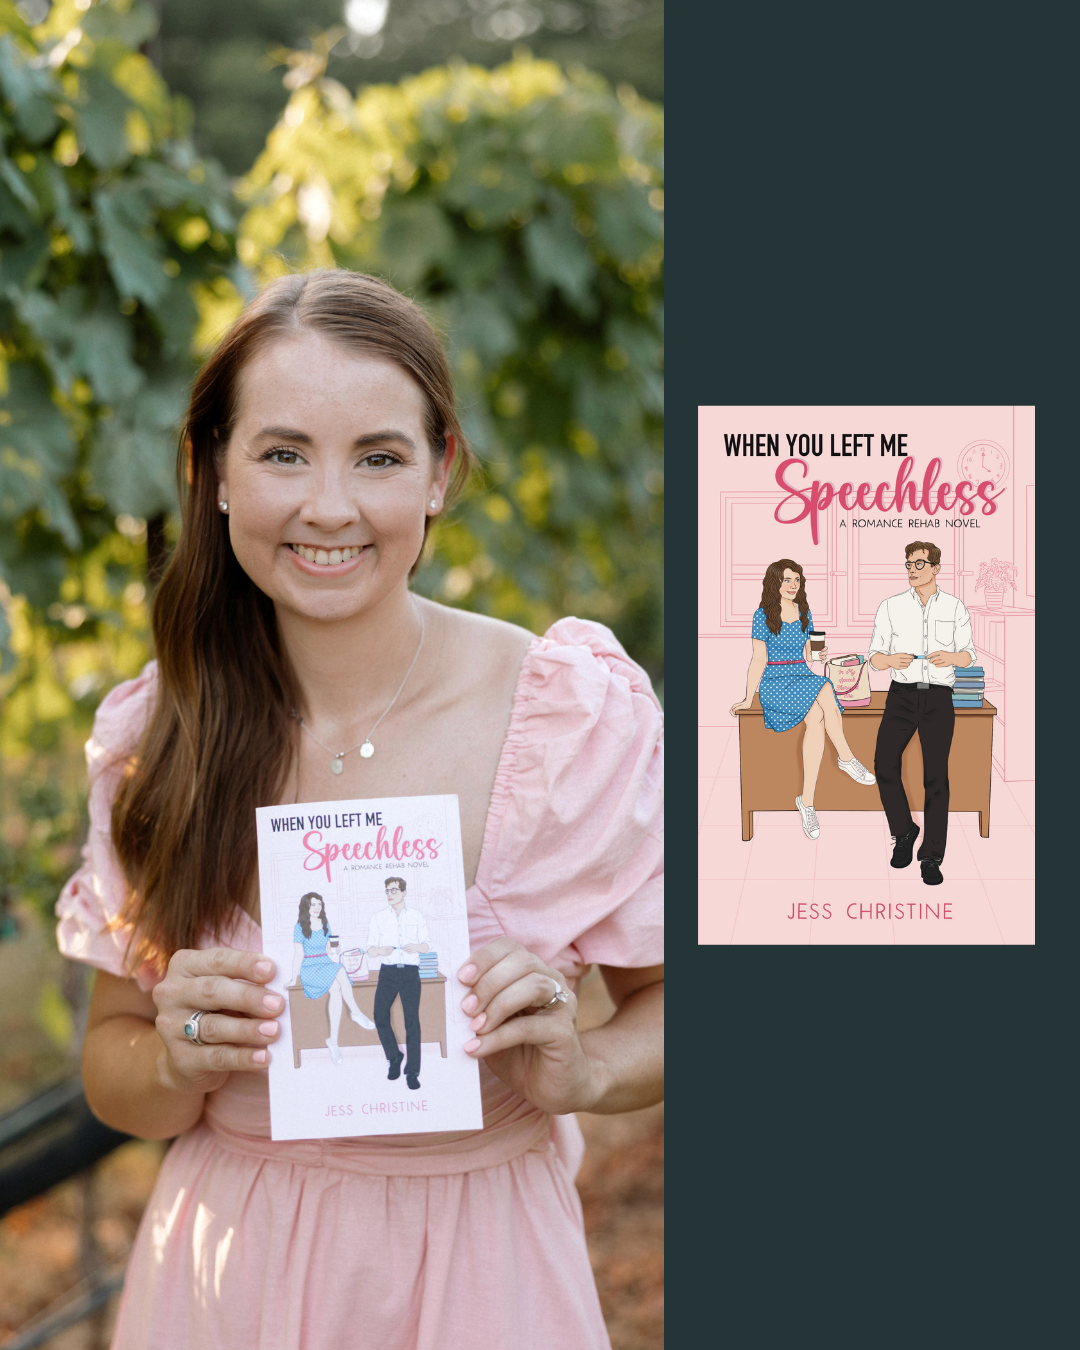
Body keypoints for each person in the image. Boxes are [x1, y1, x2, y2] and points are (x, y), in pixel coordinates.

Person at [56, 269, 663, 1350]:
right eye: (283, 452)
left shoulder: (567, 714)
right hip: (227, 1274)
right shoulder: (161, 734)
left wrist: (591, 1068)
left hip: (484, 1276)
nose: (328, 505)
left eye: (378, 456)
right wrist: (175, 1053)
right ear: (215, 476)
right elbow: (113, 1066)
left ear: (439, 474)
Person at [730, 558, 876, 840]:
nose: (793, 585)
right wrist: (749, 698)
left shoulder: (804, 612)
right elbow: (759, 659)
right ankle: (846, 758)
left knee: (818, 717)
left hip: (801, 673)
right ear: (775, 583)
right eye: (787, 580)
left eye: (796, 580)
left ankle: (807, 802)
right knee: (823, 693)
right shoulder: (762, 616)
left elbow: (809, 653)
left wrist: (818, 654)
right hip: (776, 680)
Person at [868, 541, 976, 885]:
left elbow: (969, 654)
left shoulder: (956, 607)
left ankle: (931, 856)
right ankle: (904, 831)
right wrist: (888, 661)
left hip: (939, 699)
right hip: (900, 695)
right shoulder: (890, 606)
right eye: (909, 564)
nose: (912, 569)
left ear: (935, 568)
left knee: (936, 779)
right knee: (884, 764)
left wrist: (952, 657)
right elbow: (874, 655)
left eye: (919, 563)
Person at [289, 891, 376, 1064]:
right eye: (313, 904)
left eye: (319, 904)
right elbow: (298, 954)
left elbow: (329, 950)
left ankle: (333, 1042)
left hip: (326, 962)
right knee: (339, 977)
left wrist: (336, 948)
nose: (316, 907)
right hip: (310, 967)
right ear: (306, 906)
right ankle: (356, 1013)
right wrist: (293, 978)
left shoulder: (325, 923)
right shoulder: (300, 927)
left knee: (338, 980)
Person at [367, 876, 428, 1087]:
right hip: (388, 972)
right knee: (379, 1015)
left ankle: (412, 1072)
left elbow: (427, 945)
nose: (390, 894)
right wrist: (379, 951)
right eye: (387, 891)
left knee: (412, 1021)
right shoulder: (378, 918)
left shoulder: (417, 916)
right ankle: (394, 1056)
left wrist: (417, 947)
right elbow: (370, 949)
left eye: (394, 890)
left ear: (403, 892)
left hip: (411, 972)